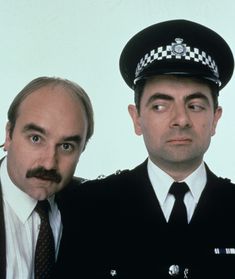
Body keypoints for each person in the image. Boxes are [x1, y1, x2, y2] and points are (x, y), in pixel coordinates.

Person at [56, 20, 235, 279]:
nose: (181, 120)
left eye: (195, 105)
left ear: (215, 119)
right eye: (160, 106)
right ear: (137, 118)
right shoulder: (88, 207)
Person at [0, 76, 94, 279]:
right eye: (36, 139)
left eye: (66, 146)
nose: (49, 163)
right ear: (9, 135)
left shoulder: (93, 209)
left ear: (82, 150)